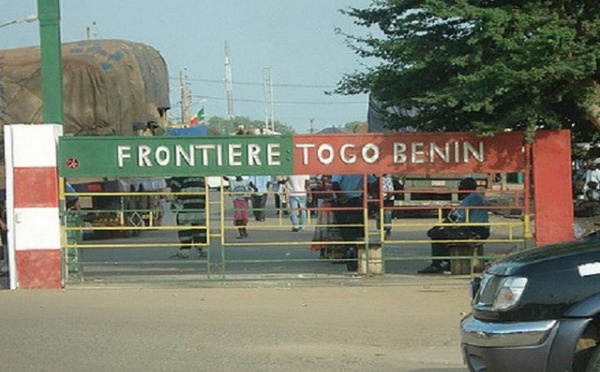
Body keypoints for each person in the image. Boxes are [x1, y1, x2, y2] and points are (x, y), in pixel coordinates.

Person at [419, 177, 490, 274]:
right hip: (481, 229)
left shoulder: (471, 198)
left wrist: (438, 226)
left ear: (465, 188)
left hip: (475, 229)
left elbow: (455, 217)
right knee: (448, 233)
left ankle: (437, 264)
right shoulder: (478, 197)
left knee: (436, 234)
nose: (459, 189)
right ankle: (449, 262)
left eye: (460, 187)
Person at [331, 174, 377, 271]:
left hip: (343, 203)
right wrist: (366, 193)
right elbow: (373, 182)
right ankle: (358, 257)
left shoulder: (339, 168)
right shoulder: (361, 168)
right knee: (358, 231)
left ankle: (351, 255)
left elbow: (335, 184)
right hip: (357, 201)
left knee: (346, 231)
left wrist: (342, 197)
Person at [169, 176, 207, 259]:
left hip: (185, 205)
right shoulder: (200, 174)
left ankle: (185, 251)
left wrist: (173, 203)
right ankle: (203, 249)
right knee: (200, 228)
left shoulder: (180, 175)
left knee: (184, 229)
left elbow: (175, 191)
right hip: (200, 204)